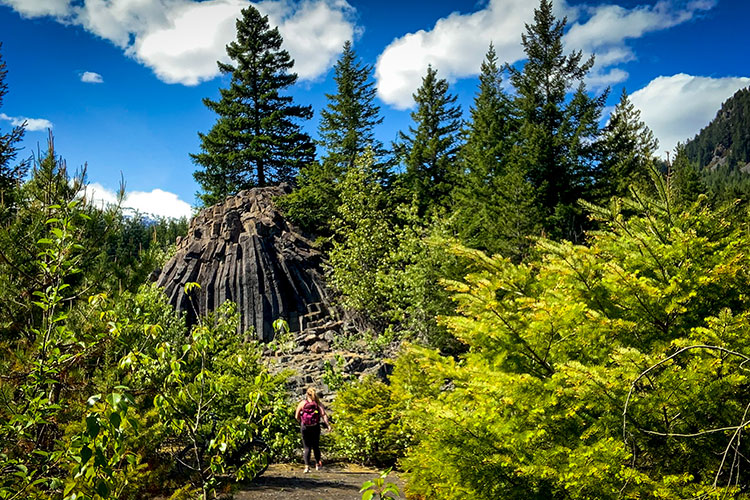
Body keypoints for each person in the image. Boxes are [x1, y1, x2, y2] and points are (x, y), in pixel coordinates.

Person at [294, 387, 330, 473]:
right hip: (315, 427)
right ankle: (318, 464)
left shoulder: (302, 403)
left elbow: (296, 416)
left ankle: (307, 467)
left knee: (307, 447)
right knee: (316, 446)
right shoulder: (318, 403)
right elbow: (323, 414)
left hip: (305, 427)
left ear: (306, 394)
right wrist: (328, 425)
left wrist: (301, 421)